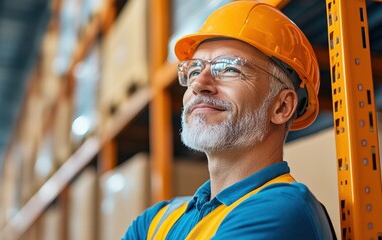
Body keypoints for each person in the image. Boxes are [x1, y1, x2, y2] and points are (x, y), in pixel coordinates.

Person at [124, 1, 336, 239]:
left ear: (282, 106)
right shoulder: (156, 221)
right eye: (194, 71)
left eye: (229, 69)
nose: (199, 85)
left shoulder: (282, 210)